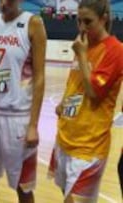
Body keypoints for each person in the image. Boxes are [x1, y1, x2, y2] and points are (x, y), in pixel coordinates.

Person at [48, 0, 123, 202]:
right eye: (79, 21)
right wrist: (63, 103)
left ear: (104, 19)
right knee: (66, 195)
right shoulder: (84, 42)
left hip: (89, 146)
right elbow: (75, 83)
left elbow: (93, 92)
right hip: (66, 138)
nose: (82, 27)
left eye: (88, 22)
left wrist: (81, 55)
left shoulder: (115, 50)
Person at [0, 0, 46, 202]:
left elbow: (40, 76)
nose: (3, 2)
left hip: (19, 118)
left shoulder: (33, 24)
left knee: (23, 188)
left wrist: (33, 125)